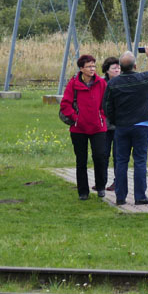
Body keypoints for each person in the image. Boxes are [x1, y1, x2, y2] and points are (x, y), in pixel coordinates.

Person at [103, 47, 148, 206]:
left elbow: (107, 105)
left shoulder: (113, 83)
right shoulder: (145, 78)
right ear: (135, 66)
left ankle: (120, 197)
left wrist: (115, 120)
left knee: (121, 161)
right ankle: (140, 196)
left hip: (122, 126)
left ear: (120, 67)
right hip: (141, 125)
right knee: (140, 161)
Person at [59, 54, 108, 200]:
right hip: (78, 129)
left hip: (98, 128)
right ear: (81, 69)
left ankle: (100, 186)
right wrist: (76, 118)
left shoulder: (101, 83)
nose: (92, 69)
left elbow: (107, 102)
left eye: (94, 66)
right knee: (81, 160)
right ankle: (83, 192)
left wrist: (102, 116)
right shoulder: (73, 84)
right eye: (89, 66)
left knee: (100, 157)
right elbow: (65, 105)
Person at [100, 56, 121, 192]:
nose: (117, 70)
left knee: (118, 155)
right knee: (103, 154)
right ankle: (101, 181)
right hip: (104, 125)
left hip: (119, 125)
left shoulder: (123, 82)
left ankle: (117, 181)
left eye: (119, 68)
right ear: (107, 70)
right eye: (114, 68)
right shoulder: (101, 83)